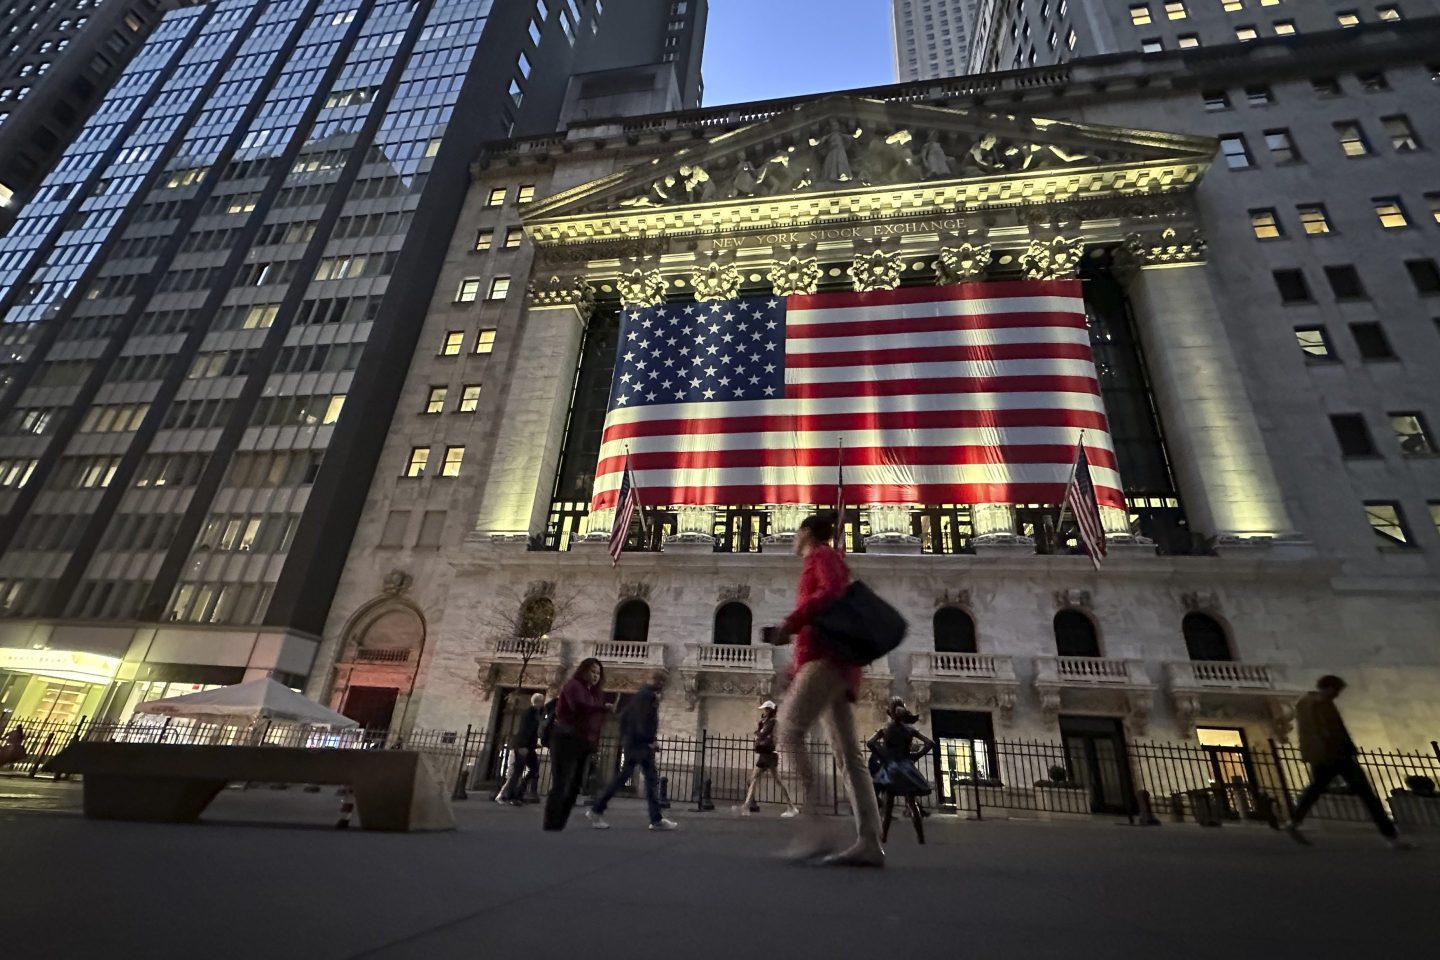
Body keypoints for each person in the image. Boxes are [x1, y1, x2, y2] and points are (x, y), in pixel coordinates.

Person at [768, 513, 885, 867]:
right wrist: (794, 667)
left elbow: (832, 594)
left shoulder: (822, 556)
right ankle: (868, 841)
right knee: (848, 754)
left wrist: (791, 623)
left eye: (795, 531)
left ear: (806, 532)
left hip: (828, 660)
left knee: (787, 730)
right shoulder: (825, 558)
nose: (792, 538)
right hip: (830, 663)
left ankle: (818, 823)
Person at [1286, 675, 1408, 848]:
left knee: (1315, 790)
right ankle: (1391, 837)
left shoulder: (1304, 702)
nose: (1337, 695)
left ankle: (1293, 821)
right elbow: (1332, 731)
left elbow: (1307, 734)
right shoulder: (1321, 703)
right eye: (1337, 690)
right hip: (1336, 756)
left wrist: (1311, 753)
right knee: (1367, 795)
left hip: (1320, 756)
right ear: (1329, 688)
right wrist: (1347, 750)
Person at [587, 669, 678, 832]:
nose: (663, 687)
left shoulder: (638, 695)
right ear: (660, 682)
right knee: (649, 780)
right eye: (663, 683)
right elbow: (645, 721)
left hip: (632, 743)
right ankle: (655, 819)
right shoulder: (649, 696)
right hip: (640, 745)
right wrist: (649, 741)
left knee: (626, 778)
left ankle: (597, 809)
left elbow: (624, 718)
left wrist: (626, 738)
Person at [542, 658, 612, 831]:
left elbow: (595, 723)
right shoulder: (573, 685)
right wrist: (602, 708)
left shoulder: (594, 693)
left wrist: (594, 743)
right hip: (565, 738)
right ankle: (551, 824)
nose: (595, 676)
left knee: (575, 785)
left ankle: (559, 823)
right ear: (583, 671)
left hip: (583, 741)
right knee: (562, 781)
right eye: (592, 671)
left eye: (598, 673)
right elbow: (578, 706)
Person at [868, 699, 935, 845]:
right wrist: (916, 756)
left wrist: (882, 755)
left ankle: (883, 837)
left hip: (890, 768)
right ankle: (921, 838)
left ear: (891, 714)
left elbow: (870, 743)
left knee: (889, 805)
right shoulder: (910, 730)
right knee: (912, 802)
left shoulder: (885, 729)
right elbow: (930, 743)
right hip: (906, 767)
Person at [734, 700, 799, 818]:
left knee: (775, 781)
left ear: (771, 710)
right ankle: (746, 806)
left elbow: (762, 734)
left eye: (767, 709)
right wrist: (760, 729)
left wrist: (760, 731)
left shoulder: (773, 722)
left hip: (769, 754)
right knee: (754, 779)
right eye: (765, 709)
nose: (765, 711)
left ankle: (791, 806)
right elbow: (761, 733)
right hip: (765, 754)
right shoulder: (767, 721)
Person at [496, 693, 544, 806]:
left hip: (528, 746)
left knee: (532, 769)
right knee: (519, 771)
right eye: (542, 702)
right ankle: (512, 796)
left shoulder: (535, 713)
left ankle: (516, 794)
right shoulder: (530, 713)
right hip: (523, 746)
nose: (543, 704)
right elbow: (526, 730)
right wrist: (524, 746)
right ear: (538, 702)